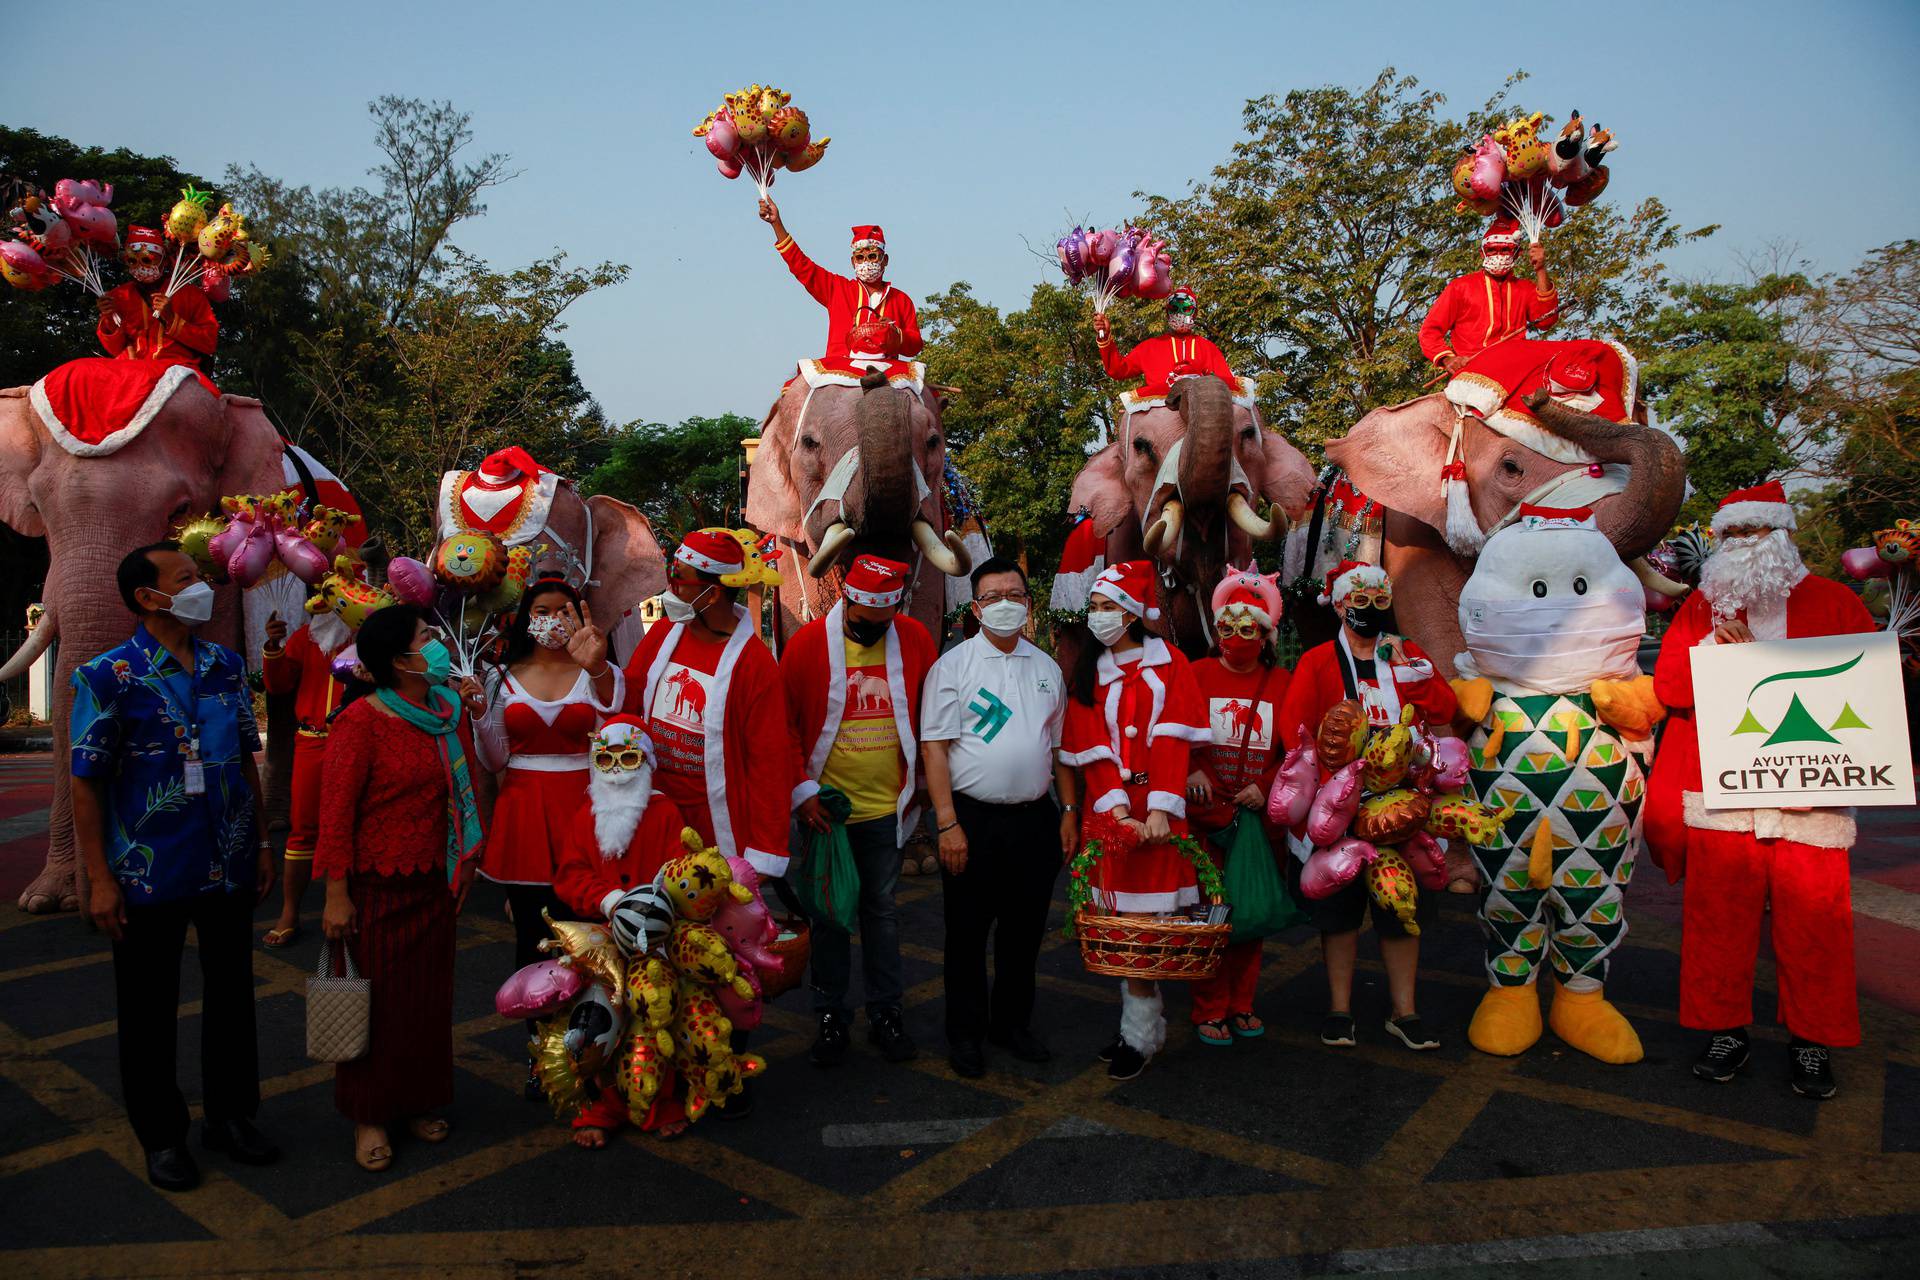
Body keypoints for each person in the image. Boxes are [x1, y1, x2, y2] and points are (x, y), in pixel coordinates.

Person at [1647, 482, 1878, 1099]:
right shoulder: (1702, 608)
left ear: (1783, 536)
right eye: (1731, 535)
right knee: (1717, 924)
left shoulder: (1835, 603)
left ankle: (1813, 1041)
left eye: (1755, 533)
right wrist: (1714, 657)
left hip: (1812, 803)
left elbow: (1868, 698)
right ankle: (1725, 1031)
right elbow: (1670, 688)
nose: (1743, 545)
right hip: (1723, 799)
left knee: (1817, 927)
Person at [69, 542, 280, 1191]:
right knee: (148, 1006)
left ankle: (231, 1116)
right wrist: (99, 877)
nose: (203, 587)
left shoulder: (224, 666)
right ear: (147, 597)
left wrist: (262, 842)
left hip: (227, 860)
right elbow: (86, 781)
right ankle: (162, 1137)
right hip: (148, 869)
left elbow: (247, 756)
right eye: (186, 579)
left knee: (232, 996)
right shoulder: (107, 676)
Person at [315, 605, 486, 1172]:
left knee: (426, 1003)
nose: (436, 641)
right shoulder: (360, 721)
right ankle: (370, 1114)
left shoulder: (446, 710)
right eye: (426, 636)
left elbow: (462, 793)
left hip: (434, 880)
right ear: (399, 659)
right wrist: (336, 894)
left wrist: (463, 865)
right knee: (379, 1006)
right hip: (377, 885)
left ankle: (415, 1100)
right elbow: (335, 815)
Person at [1275, 561, 1458, 1052]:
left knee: (1402, 910)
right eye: (1359, 601)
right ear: (1338, 604)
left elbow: (1442, 709)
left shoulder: (1405, 652)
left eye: (1380, 601)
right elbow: (1293, 729)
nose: (1370, 610)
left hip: (1402, 806)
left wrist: (1407, 669)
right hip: (1338, 809)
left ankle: (1405, 1011)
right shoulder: (1317, 661)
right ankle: (1339, 1009)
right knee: (1340, 914)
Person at [922, 557, 1076, 1078]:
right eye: (993, 597)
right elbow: (935, 751)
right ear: (975, 606)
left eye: (1015, 595)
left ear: (1029, 604)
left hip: (1034, 821)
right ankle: (965, 1034)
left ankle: (1011, 1024)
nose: (1004, 605)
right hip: (971, 820)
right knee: (966, 934)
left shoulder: (1047, 668)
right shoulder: (954, 666)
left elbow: (1059, 750)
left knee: (1024, 931)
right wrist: (947, 823)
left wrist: (1068, 811)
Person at [1058, 561, 1209, 1081]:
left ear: (1133, 613)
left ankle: (1139, 1036)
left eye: (1109, 608)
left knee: (1145, 934)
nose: (1099, 618)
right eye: (1094, 608)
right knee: (1120, 933)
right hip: (1112, 817)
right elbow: (1091, 752)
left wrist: (1162, 810)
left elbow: (1174, 738)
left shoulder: (1172, 665)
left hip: (1162, 821)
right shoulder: (1086, 672)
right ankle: (1137, 1030)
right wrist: (1118, 811)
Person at [783, 555, 936, 1066]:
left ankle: (885, 1013)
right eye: (860, 624)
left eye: (880, 625)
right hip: (826, 813)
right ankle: (830, 1014)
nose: (870, 633)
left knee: (882, 914)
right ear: (846, 601)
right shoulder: (806, 645)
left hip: (885, 809)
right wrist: (802, 792)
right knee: (828, 915)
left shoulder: (914, 639)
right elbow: (783, 726)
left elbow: (929, 715)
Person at [471, 577, 619, 1097]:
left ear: (580, 616)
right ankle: (542, 1054)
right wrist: (477, 715)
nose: (553, 619)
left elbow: (619, 729)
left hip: (588, 812)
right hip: (525, 818)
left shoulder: (599, 674)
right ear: (524, 616)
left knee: (591, 937)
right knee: (534, 941)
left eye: (563, 609)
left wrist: (598, 667)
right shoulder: (499, 678)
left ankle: (593, 1051)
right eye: (542, 609)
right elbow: (494, 760)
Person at [551, 715, 691, 1145]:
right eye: (605, 759)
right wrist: (607, 899)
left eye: (628, 759)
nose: (615, 771)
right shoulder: (585, 815)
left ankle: (655, 1103)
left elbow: (681, 872)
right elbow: (569, 874)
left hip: (656, 939)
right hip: (600, 936)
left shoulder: (666, 812)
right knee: (597, 1019)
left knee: (656, 1016)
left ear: (646, 763)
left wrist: (651, 908)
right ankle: (604, 1103)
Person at [1184, 569, 1293, 1047]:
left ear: (1266, 634)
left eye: (1247, 628)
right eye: (1226, 627)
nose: (1235, 637)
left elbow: (1297, 752)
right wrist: (1192, 768)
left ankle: (1242, 1003)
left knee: (1250, 912)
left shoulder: (1283, 682)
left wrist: (1266, 785)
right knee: (1211, 914)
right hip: (1209, 819)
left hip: (1257, 820)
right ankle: (1208, 1006)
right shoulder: (1197, 674)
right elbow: (1176, 733)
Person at [259, 608, 353, 947]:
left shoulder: (368, 635)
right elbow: (278, 683)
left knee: (354, 825)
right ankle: (289, 911)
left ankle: (348, 904)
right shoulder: (307, 635)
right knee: (302, 829)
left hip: (355, 740)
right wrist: (274, 645)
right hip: (311, 741)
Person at [758, 198, 923, 368]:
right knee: (794, 391)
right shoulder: (837, 288)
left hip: (887, 372)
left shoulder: (901, 300)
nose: (866, 262)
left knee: (923, 391)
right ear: (853, 262)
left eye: (872, 256)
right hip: (841, 369)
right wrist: (777, 224)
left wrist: (896, 335)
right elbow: (802, 266)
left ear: (885, 260)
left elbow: (916, 345)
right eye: (860, 257)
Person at [1418, 219, 1558, 375]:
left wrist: (1540, 269)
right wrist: (1448, 359)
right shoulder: (1460, 287)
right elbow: (1429, 332)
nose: (1498, 255)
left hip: (1516, 368)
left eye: (1505, 249)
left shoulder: (1526, 288)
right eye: (1492, 250)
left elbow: (1546, 321)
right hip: (1472, 370)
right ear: (1482, 253)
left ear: (1517, 253)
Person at [95, 226, 218, 369]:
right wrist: (109, 318)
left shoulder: (190, 294)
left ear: (164, 261)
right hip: (130, 368)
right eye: (132, 261)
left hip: (177, 367)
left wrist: (171, 319)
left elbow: (209, 342)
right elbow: (114, 349)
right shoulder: (118, 296)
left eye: (146, 260)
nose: (139, 266)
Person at [1091, 286, 1237, 398]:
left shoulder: (1207, 347)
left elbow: (1228, 384)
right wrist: (1105, 336)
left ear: (1195, 313)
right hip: (1158, 414)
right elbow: (1118, 370)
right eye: (1174, 309)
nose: (1179, 314)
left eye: (1186, 309)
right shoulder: (1150, 347)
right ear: (1167, 313)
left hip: (1200, 411)